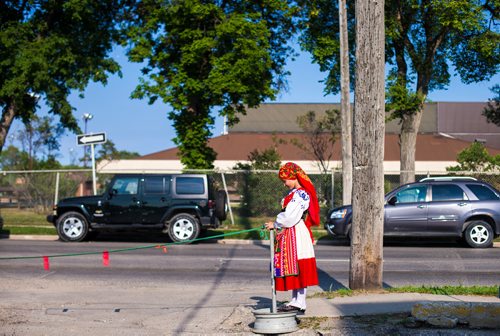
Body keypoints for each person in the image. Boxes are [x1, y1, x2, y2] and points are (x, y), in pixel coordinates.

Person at [265, 162, 320, 313]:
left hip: (296, 231)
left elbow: (290, 216)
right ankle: (296, 300)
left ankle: (300, 302)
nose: (284, 184)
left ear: (293, 177)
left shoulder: (301, 194)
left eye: (285, 180)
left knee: (298, 264)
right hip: (291, 231)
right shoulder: (293, 194)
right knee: (293, 265)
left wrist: (276, 223)